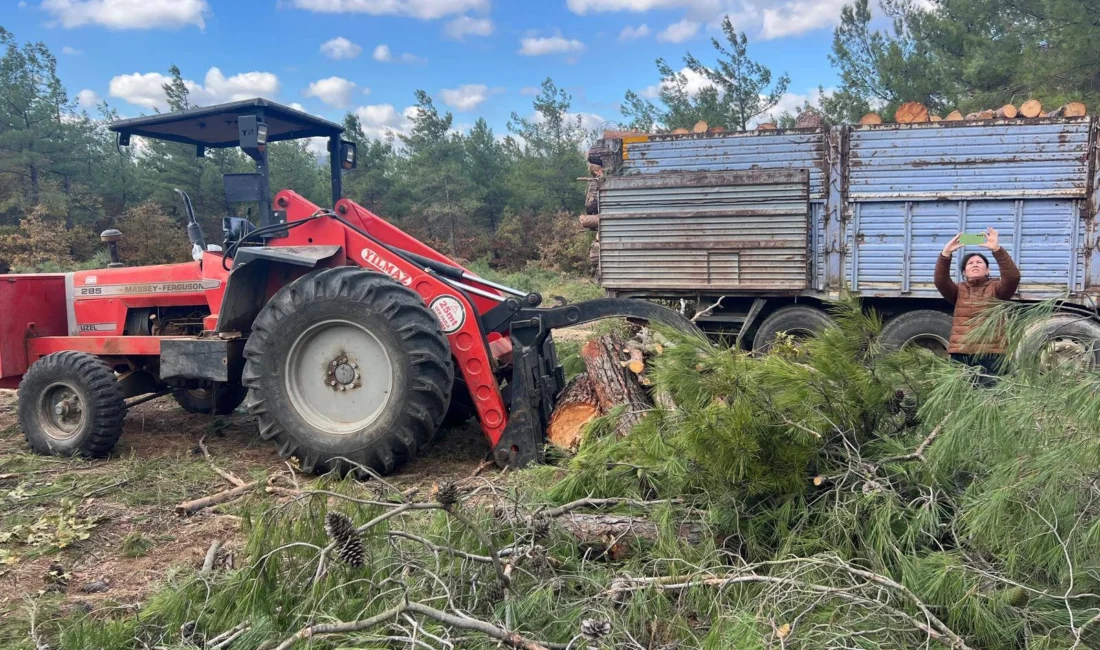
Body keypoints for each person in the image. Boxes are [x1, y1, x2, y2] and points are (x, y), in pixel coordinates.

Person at [935, 227, 1021, 382]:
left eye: (979, 262)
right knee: (961, 395)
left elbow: (1013, 277)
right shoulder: (958, 290)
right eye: (970, 263)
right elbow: (940, 281)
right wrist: (946, 254)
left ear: (987, 270)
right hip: (961, 352)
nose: (975, 265)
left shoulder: (997, 289)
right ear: (964, 272)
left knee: (990, 397)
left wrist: (997, 250)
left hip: (992, 352)